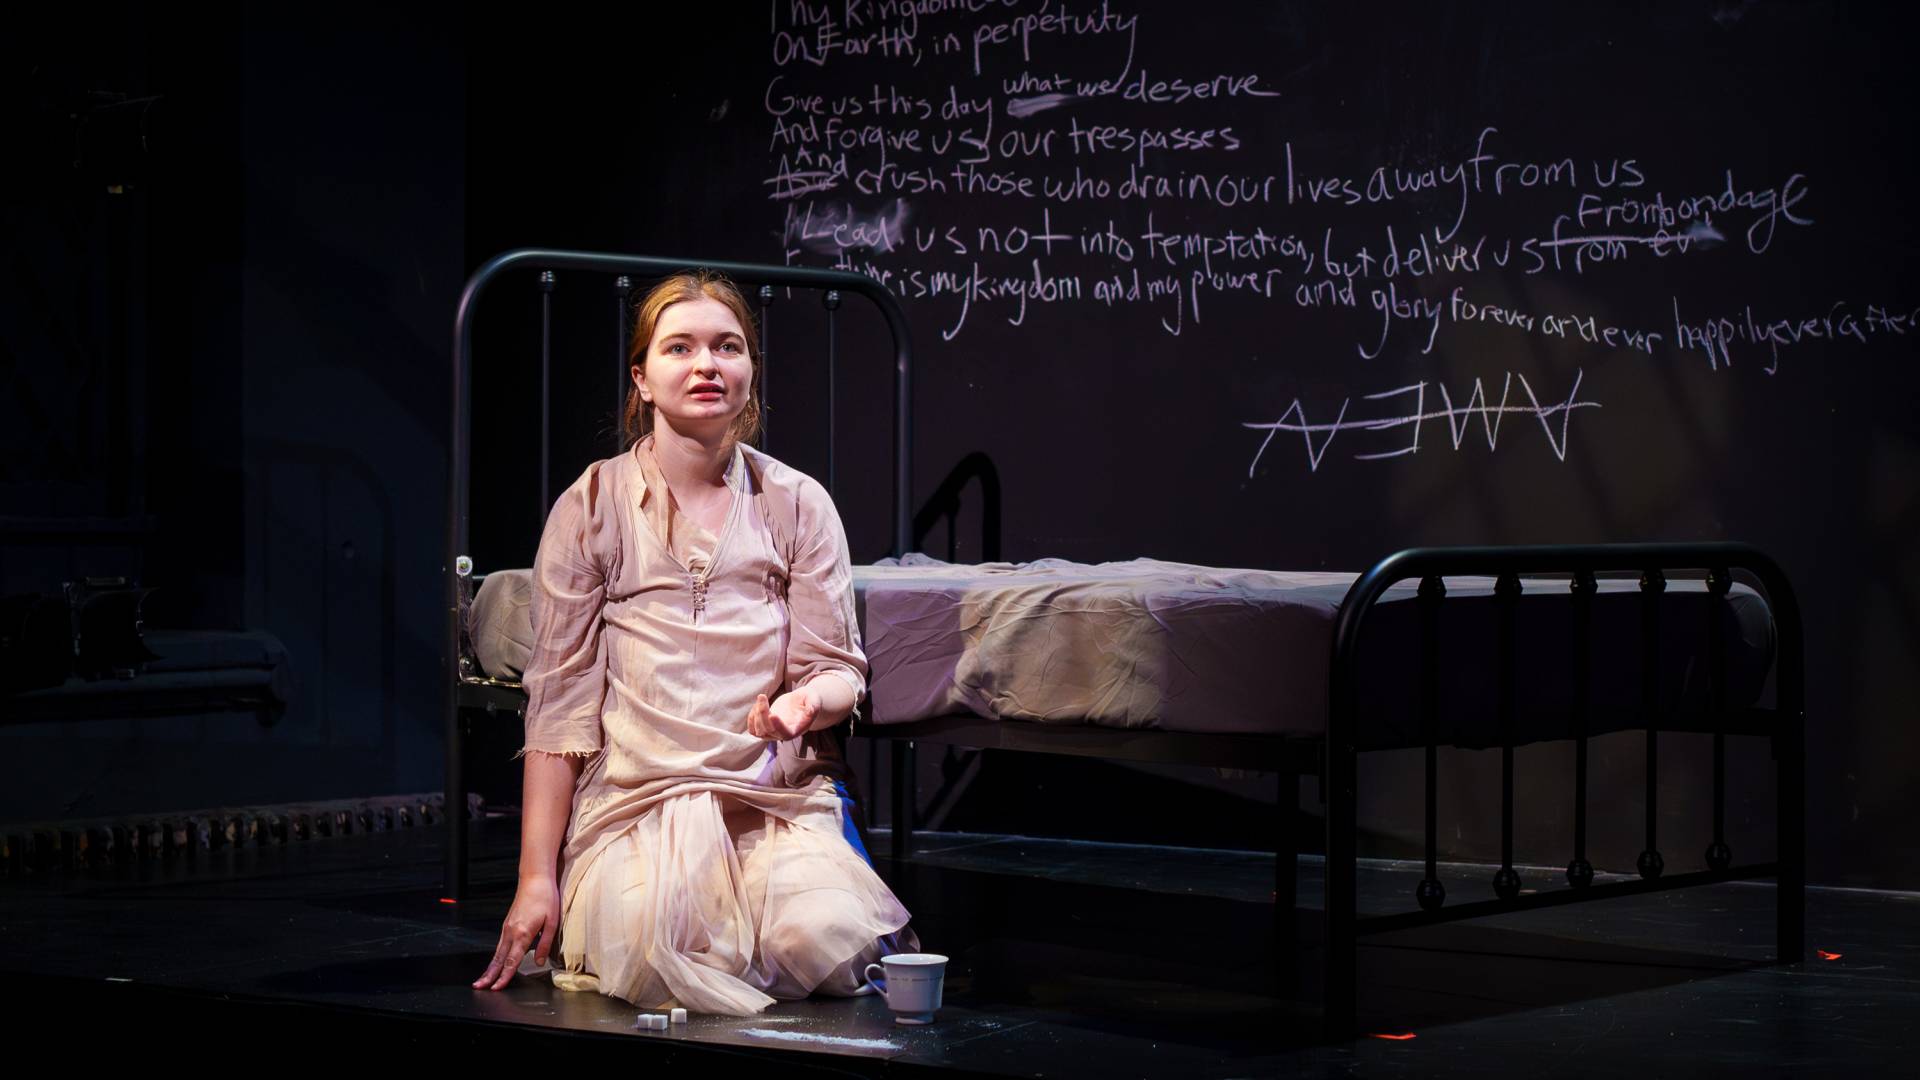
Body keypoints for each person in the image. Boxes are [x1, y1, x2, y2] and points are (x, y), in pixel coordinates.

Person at [470, 270, 914, 1014]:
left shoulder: (797, 502)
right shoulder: (591, 504)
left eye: (727, 347)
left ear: (750, 373)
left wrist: (804, 704)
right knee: (660, 949)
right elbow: (559, 714)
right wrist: (534, 879)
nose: (706, 364)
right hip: (637, 804)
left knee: (819, 938)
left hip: (769, 800)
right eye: (680, 348)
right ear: (642, 378)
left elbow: (840, 672)